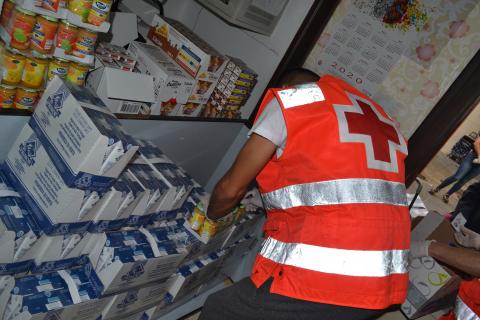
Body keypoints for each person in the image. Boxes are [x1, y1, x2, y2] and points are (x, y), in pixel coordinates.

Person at [199, 69, 410, 320]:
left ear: (287, 86)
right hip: (384, 280)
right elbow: (336, 185)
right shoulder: (376, 116)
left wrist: (209, 215)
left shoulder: (292, 100)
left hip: (328, 273)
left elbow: (229, 190)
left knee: (221, 309)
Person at [430, 137, 480, 203]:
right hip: (473, 157)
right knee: (457, 176)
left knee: (463, 181)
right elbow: (476, 143)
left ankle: (447, 195)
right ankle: (437, 188)